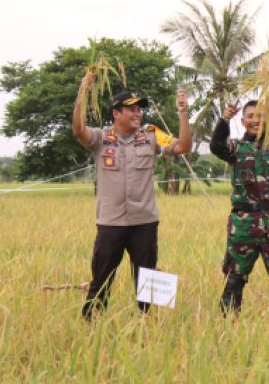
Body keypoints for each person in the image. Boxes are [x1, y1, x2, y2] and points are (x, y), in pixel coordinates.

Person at [71, 80, 192, 319]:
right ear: (116, 113)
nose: (138, 113)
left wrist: (183, 113)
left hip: (144, 222)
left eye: (140, 109)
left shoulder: (151, 137)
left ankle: (147, 324)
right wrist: (82, 93)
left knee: (147, 279)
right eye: (132, 109)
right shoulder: (101, 138)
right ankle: (92, 322)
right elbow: (78, 130)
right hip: (111, 222)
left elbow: (184, 147)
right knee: (101, 277)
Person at [210, 93, 269, 320]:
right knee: (235, 278)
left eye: (261, 116)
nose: (256, 120)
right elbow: (216, 145)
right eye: (250, 116)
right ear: (242, 122)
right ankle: (228, 327)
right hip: (243, 225)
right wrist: (223, 121)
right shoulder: (235, 148)